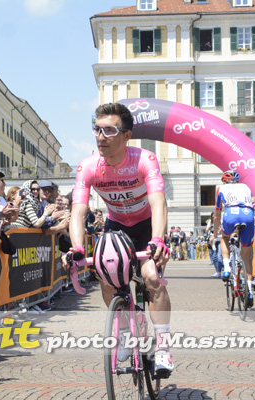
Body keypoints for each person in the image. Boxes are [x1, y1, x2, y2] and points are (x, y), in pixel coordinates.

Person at [65, 102, 174, 379]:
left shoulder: (144, 160)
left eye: (109, 130)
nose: (101, 136)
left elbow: (158, 202)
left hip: (147, 225)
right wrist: (77, 249)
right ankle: (125, 333)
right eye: (97, 129)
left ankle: (162, 345)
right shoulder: (88, 167)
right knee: (106, 277)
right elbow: (78, 211)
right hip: (117, 226)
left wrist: (158, 239)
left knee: (150, 277)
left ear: (127, 136)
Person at [213, 170, 255, 307]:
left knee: (224, 237)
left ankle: (226, 268)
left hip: (231, 214)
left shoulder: (221, 188)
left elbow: (217, 214)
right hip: (248, 214)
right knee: (246, 256)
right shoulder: (246, 187)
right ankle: (250, 291)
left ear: (224, 181)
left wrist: (215, 233)